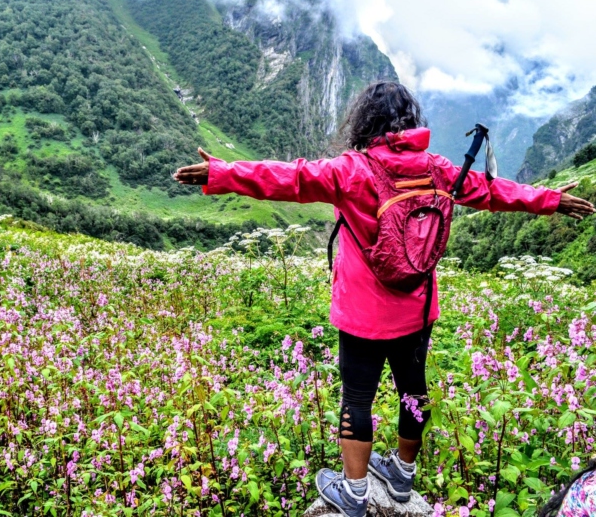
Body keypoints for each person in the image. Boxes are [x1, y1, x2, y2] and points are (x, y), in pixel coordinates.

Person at [174, 81, 595, 517]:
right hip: (417, 308)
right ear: (411, 121)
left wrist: (222, 173)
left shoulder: (353, 169)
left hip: (363, 313)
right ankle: (402, 475)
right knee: (415, 391)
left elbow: (292, 177)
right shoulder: (437, 168)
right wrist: (551, 200)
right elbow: (491, 192)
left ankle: (354, 492)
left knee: (357, 399)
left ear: (365, 121)